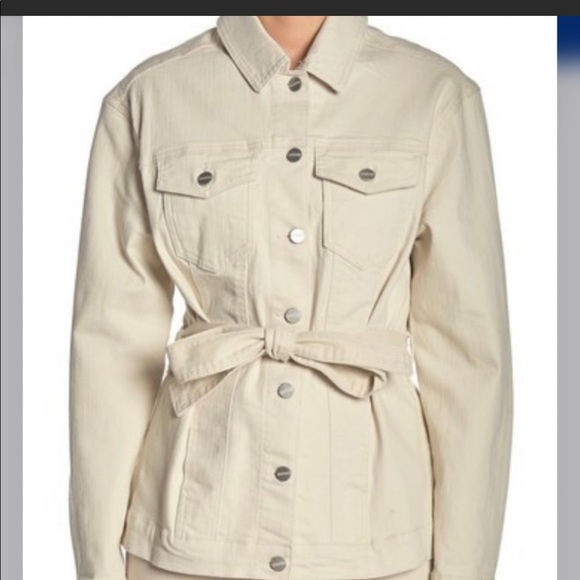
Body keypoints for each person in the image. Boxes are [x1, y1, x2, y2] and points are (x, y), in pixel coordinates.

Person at [68, 16, 514, 580]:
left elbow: (469, 356)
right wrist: (98, 566)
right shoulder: (149, 97)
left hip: (376, 542)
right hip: (191, 540)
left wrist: (465, 569)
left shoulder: (433, 95)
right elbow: (109, 349)